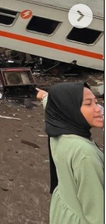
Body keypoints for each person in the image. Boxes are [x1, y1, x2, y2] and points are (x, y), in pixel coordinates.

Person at [36, 83, 104, 224]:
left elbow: (53, 103)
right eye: (88, 104)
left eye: (97, 103)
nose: (99, 110)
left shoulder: (58, 130)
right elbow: (98, 214)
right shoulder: (85, 154)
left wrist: (44, 96)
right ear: (70, 109)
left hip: (63, 212)